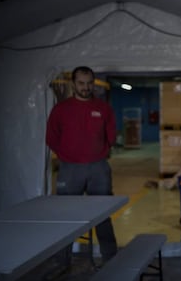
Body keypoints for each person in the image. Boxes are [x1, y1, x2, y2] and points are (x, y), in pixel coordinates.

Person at [46, 66, 117, 271]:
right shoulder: (61, 109)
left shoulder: (103, 108)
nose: (85, 87)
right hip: (70, 169)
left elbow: (111, 134)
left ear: (93, 83)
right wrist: (67, 156)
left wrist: (102, 150)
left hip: (98, 169)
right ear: (73, 84)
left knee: (103, 214)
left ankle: (110, 259)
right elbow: (51, 137)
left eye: (89, 83)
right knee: (66, 216)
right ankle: (62, 262)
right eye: (81, 83)